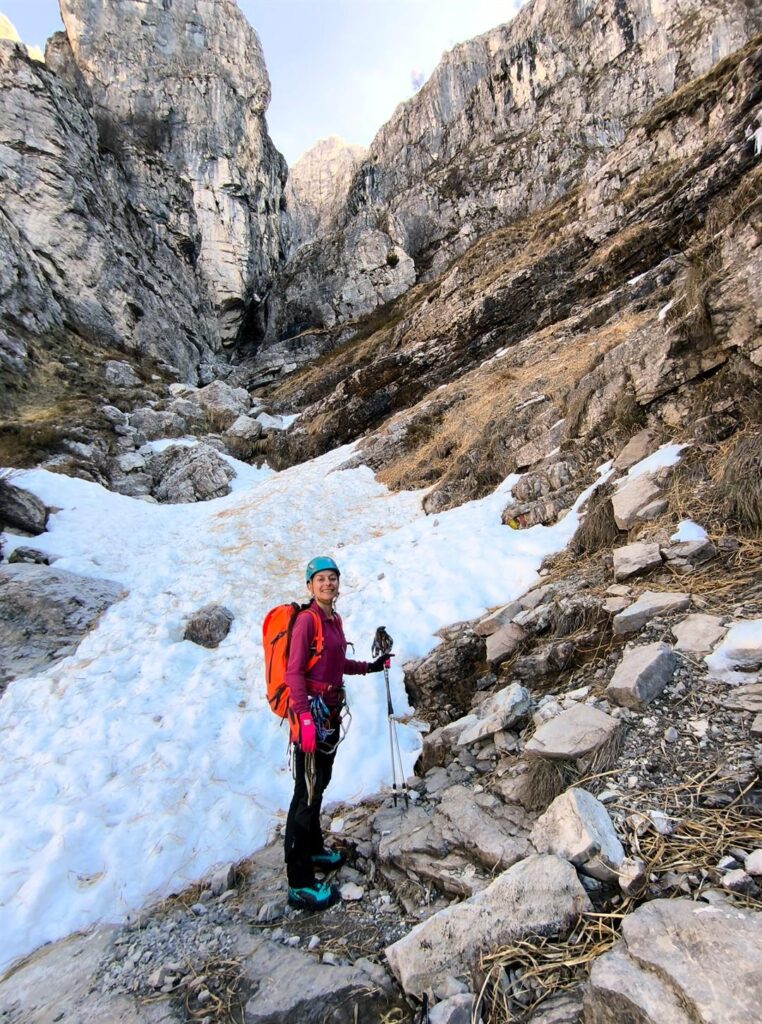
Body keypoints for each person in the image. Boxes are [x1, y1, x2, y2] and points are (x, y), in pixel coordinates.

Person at [284, 555, 387, 911]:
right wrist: (303, 718)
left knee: (319, 784)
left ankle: (313, 850)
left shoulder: (333, 620)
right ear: (310, 586)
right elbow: (293, 673)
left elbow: (336, 663)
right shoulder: (306, 622)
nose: (328, 584)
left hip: (329, 714)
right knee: (305, 794)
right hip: (311, 716)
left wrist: (370, 667)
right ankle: (298, 883)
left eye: (332, 578)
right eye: (321, 579)